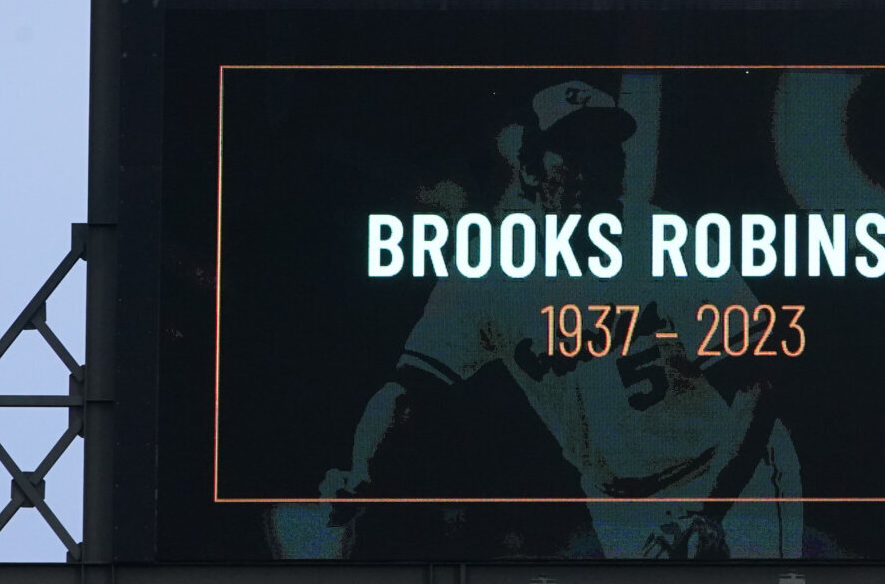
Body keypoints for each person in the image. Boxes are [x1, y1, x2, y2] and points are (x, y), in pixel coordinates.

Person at [298, 80, 803, 560]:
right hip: (617, 504)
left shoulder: (668, 243)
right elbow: (408, 389)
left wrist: (705, 513)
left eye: (607, 147)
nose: (595, 163)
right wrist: (360, 469)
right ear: (532, 169)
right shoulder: (487, 274)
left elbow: (756, 383)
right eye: (574, 148)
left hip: (731, 476)